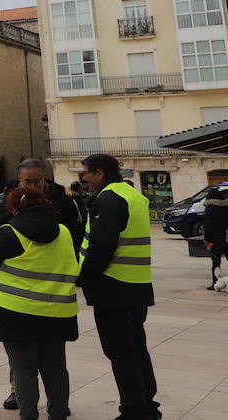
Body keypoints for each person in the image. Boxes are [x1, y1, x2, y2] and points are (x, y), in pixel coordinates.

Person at [0, 184, 79, 420]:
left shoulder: (10, 232)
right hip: (57, 310)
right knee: (55, 368)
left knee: (23, 368)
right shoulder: (63, 231)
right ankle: (58, 414)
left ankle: (29, 415)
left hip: (17, 312)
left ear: (15, 208)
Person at [79, 153, 159, 420]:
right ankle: (148, 405)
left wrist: (84, 276)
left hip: (112, 287)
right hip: (136, 284)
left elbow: (101, 247)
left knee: (120, 353)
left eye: (87, 173)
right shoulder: (131, 194)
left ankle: (134, 411)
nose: (85, 179)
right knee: (136, 349)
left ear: (99, 173)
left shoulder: (109, 198)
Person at [202, 186, 228, 288]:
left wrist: (207, 239)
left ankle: (215, 283)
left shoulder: (210, 209)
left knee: (216, 262)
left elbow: (208, 225)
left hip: (215, 240)